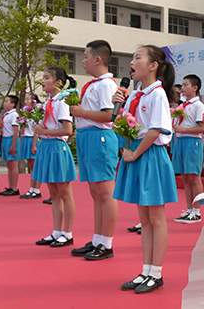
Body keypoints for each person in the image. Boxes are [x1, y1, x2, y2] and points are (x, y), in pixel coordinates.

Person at [113, 45, 178, 294]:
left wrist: (134, 153)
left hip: (149, 155)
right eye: (132, 57)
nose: (132, 61)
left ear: (153, 65)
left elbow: (155, 130)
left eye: (138, 57)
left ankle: (157, 272)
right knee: (144, 219)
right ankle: (146, 270)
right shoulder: (134, 94)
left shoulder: (157, 94)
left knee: (156, 218)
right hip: (135, 154)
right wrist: (118, 106)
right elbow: (125, 123)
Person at [69, 40, 120, 261]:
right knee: (95, 193)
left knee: (105, 192)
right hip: (87, 137)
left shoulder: (106, 85)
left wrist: (81, 112)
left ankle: (106, 243)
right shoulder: (94, 84)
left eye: (85, 56)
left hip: (99, 137)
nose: (83, 60)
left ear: (98, 59)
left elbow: (109, 115)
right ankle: (98, 238)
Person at [34, 66, 77, 248]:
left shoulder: (61, 102)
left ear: (58, 81)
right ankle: (56, 231)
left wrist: (45, 131)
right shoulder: (46, 103)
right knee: (53, 193)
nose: (43, 81)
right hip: (46, 147)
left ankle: (67, 233)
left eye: (47, 77)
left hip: (57, 147)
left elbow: (68, 130)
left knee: (64, 193)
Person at [172, 74, 204, 224]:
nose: (183, 88)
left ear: (195, 87)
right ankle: (189, 208)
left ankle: (197, 210)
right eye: (182, 85)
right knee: (185, 177)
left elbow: (202, 127)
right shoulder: (182, 105)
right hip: (180, 141)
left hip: (192, 142)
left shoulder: (199, 106)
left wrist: (182, 130)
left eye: (186, 85)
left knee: (194, 176)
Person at [20, 93, 43, 199]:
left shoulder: (37, 112)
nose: (26, 100)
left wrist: (34, 145)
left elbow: (37, 130)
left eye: (29, 99)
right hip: (27, 138)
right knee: (30, 165)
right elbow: (24, 127)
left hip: (34, 139)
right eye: (26, 99)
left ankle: (37, 189)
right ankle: (31, 188)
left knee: (36, 165)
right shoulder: (25, 111)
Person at [0, 95, 21, 196]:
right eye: (5, 101)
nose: (5, 103)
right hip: (5, 139)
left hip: (12, 139)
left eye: (7, 101)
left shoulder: (14, 115)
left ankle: (14, 188)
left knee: (13, 164)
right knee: (9, 165)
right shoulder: (6, 114)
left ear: (13, 104)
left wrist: (13, 145)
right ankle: (11, 186)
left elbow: (16, 130)